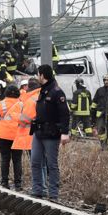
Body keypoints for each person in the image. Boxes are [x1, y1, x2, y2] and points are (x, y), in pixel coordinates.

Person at [30, 64, 70, 200]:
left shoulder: (57, 92)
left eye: (37, 74)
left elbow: (65, 114)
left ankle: (53, 194)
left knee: (51, 164)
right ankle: (38, 190)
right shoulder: (43, 90)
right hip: (39, 132)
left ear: (42, 75)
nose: (36, 77)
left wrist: (65, 132)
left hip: (51, 133)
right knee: (35, 161)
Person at [0, 85, 25, 190]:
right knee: (17, 160)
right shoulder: (22, 104)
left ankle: (4, 183)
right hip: (17, 134)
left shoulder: (0, 104)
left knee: (5, 159)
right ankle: (18, 184)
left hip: (2, 134)